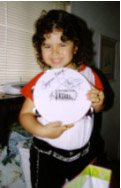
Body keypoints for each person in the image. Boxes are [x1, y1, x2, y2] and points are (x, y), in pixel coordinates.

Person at [19, 10, 105, 188]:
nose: (55, 52)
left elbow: (96, 110)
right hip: (46, 154)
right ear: (39, 49)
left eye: (62, 44)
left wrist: (99, 102)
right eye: (47, 46)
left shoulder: (89, 76)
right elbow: (25, 115)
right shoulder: (41, 81)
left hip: (84, 153)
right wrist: (41, 131)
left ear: (75, 47)